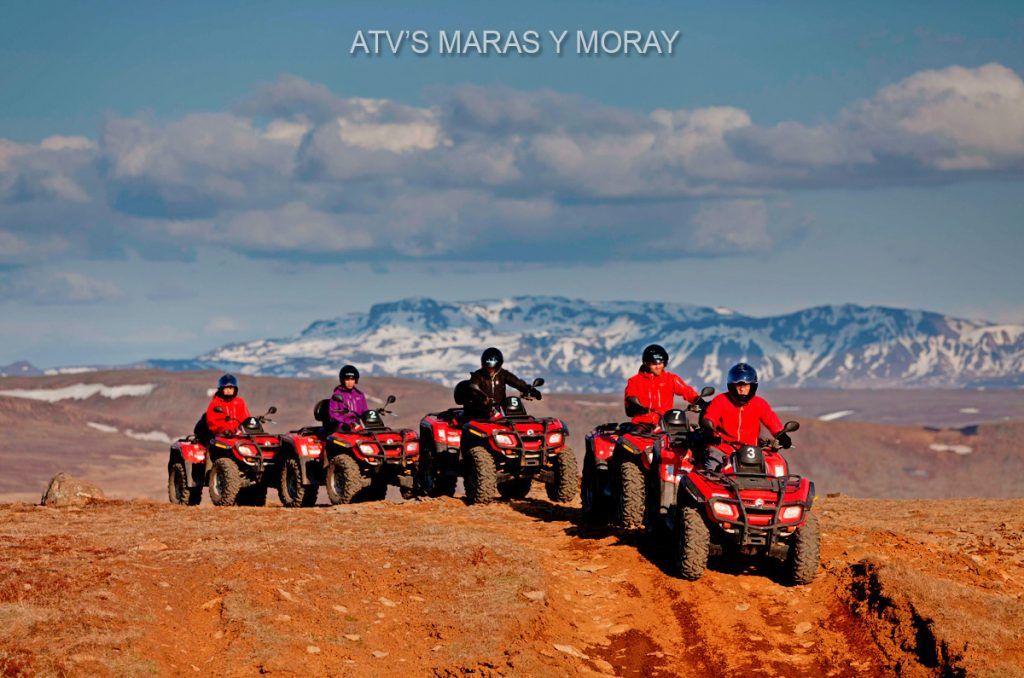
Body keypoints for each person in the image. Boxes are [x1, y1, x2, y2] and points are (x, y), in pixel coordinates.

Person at [700, 362, 790, 471]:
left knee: (773, 472)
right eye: (739, 385)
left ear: (752, 386)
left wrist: (782, 435)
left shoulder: (760, 404)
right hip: (722, 450)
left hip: (751, 453)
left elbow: (772, 421)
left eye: (746, 386)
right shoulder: (720, 400)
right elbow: (710, 418)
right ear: (732, 385)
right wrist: (709, 431)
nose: (742, 389)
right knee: (712, 474)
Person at [623, 344, 701, 430]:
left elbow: (687, 391)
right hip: (643, 423)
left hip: (667, 422)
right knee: (637, 439)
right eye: (654, 364)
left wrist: (700, 402)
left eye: (660, 363)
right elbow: (630, 398)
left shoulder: (671, 379)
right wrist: (639, 407)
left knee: (692, 435)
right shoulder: (635, 381)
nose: (658, 367)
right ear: (646, 363)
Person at [463, 347, 539, 420]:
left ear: (498, 366)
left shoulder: (503, 374)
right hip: (481, 411)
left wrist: (529, 389)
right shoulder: (478, 376)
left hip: (500, 410)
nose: (490, 370)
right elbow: (473, 388)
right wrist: (483, 399)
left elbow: (516, 382)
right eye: (488, 367)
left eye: (493, 368)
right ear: (484, 365)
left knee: (515, 414)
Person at [329, 364, 369, 430]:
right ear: (342, 380)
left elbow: (365, 411)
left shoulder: (360, 395)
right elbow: (334, 415)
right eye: (347, 380)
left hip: (359, 426)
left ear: (355, 380)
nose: (350, 382)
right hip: (343, 427)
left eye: (352, 379)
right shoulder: (336, 395)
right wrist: (345, 424)